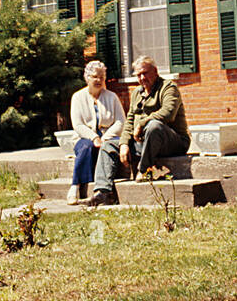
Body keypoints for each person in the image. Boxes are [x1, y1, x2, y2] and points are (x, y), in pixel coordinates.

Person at [87, 55, 190, 206]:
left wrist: (141, 124)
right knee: (108, 145)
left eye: (145, 73)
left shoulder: (169, 88)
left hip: (173, 142)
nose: (142, 78)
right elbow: (129, 121)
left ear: (155, 71)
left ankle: (144, 169)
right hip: (145, 142)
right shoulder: (137, 93)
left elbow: (168, 113)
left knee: (154, 126)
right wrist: (123, 144)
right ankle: (103, 192)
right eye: (138, 75)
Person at [67, 60, 125, 204]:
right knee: (86, 147)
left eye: (101, 77)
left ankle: (102, 188)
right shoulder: (78, 97)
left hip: (109, 137)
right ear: (87, 78)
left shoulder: (112, 97)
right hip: (85, 137)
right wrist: (93, 137)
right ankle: (75, 185)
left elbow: (120, 121)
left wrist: (106, 137)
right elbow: (78, 124)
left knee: (111, 146)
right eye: (94, 77)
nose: (98, 80)